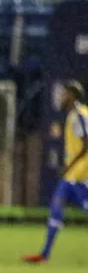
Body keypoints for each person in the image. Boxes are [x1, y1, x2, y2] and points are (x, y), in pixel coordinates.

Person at [23, 80, 88, 263]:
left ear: (72, 95)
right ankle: (44, 253)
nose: (60, 97)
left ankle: (45, 253)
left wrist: (69, 166)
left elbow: (86, 145)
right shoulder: (80, 113)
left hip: (79, 174)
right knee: (56, 207)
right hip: (74, 175)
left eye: (64, 94)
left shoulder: (78, 116)